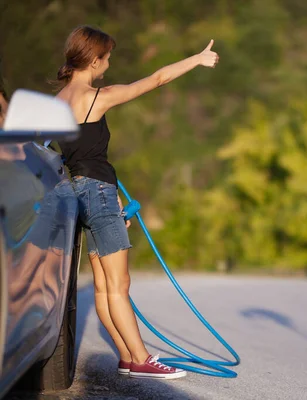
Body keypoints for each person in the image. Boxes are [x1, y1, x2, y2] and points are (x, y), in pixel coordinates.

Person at [53, 25, 219, 379]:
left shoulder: (56, 103)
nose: (108, 65)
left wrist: (111, 198)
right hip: (97, 193)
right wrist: (198, 59)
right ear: (94, 61)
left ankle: (129, 356)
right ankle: (142, 358)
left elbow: (75, 157)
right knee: (119, 285)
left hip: (79, 193)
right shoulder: (98, 96)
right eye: (107, 59)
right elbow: (157, 79)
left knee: (102, 286)